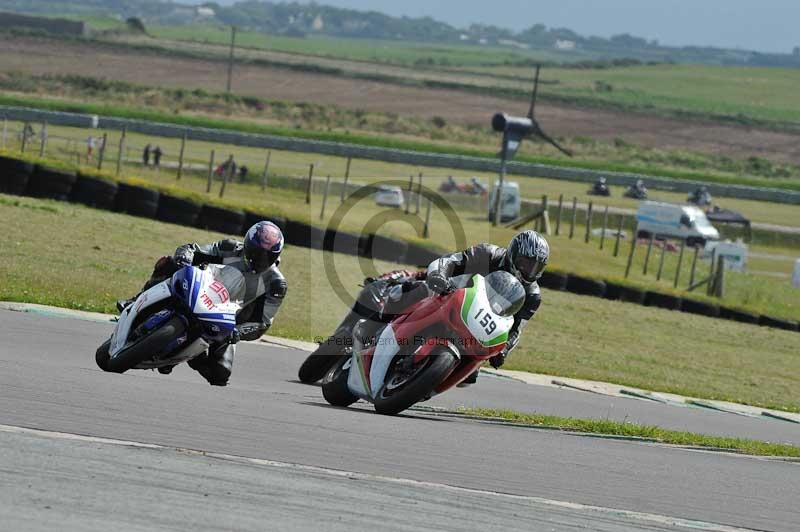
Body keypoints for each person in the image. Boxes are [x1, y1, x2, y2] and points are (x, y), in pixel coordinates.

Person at [310, 230, 548, 386]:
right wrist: (438, 276)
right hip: (446, 294)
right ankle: (369, 328)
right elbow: (448, 261)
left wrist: (504, 350)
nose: (528, 271)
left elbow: (516, 328)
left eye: (535, 267)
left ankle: (418, 382)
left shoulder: (532, 295)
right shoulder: (487, 254)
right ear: (513, 255)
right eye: (525, 263)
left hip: (475, 324)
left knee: (471, 376)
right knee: (413, 292)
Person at [118, 221, 288, 386]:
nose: (260, 259)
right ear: (247, 245)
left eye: (267, 256)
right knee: (169, 263)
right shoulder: (230, 247)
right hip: (197, 288)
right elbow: (193, 249)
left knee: (220, 374)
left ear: (276, 255)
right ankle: (136, 300)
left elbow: (262, 323)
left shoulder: (276, 284)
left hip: (223, 318)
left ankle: (191, 357)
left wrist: (237, 332)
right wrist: (184, 257)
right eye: (257, 253)